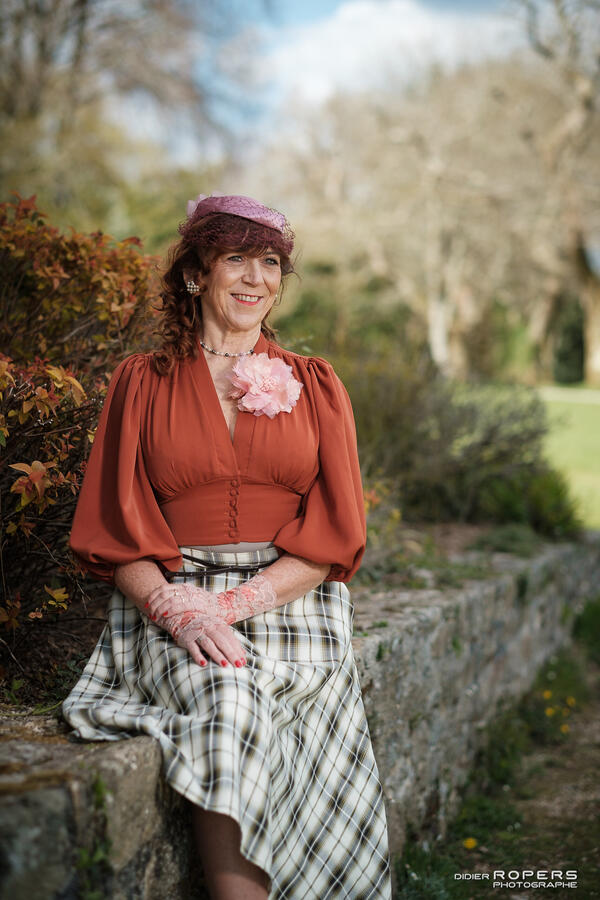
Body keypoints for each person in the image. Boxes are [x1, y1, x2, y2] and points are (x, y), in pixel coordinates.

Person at [61, 193, 392, 900]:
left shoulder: (316, 384)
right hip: (174, 601)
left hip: (295, 606)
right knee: (229, 701)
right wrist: (181, 608)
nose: (254, 278)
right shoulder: (140, 382)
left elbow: (336, 535)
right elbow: (113, 532)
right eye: (234, 258)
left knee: (296, 755)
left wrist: (238, 603)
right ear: (195, 274)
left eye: (269, 261)